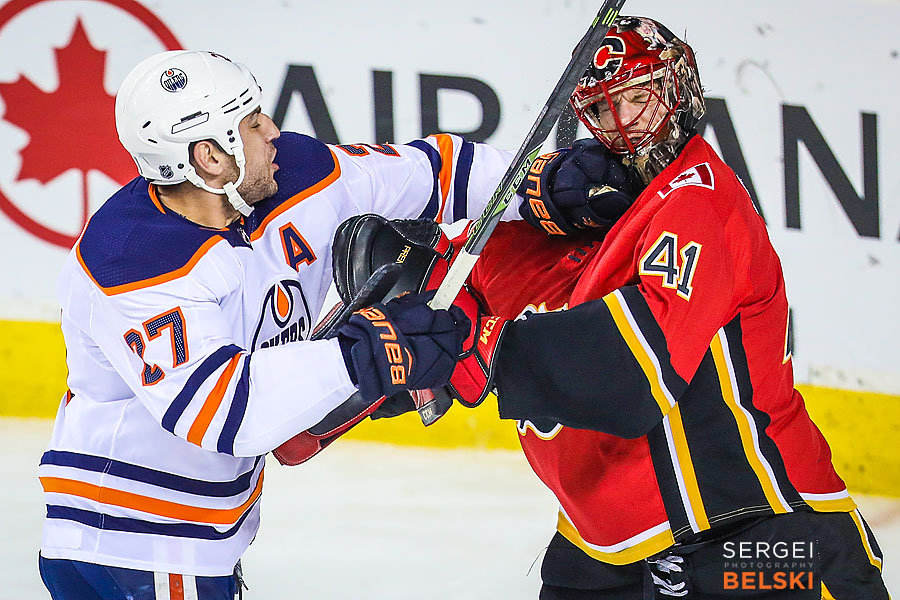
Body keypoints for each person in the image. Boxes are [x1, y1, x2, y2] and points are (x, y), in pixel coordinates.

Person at [357, 16, 890, 598]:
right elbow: (456, 291)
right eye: (605, 107)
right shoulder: (589, 208)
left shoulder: (698, 203)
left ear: (677, 88)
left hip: (759, 539)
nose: (627, 122)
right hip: (604, 552)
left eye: (639, 96)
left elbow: (637, 373)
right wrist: (398, 332)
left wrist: (483, 349)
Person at [37, 49, 519, 600]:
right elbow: (225, 414)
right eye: (251, 122)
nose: (272, 130)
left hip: (189, 540)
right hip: (136, 544)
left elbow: (432, 173)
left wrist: (542, 185)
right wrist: (366, 354)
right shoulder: (135, 258)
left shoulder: (289, 174)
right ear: (210, 157)